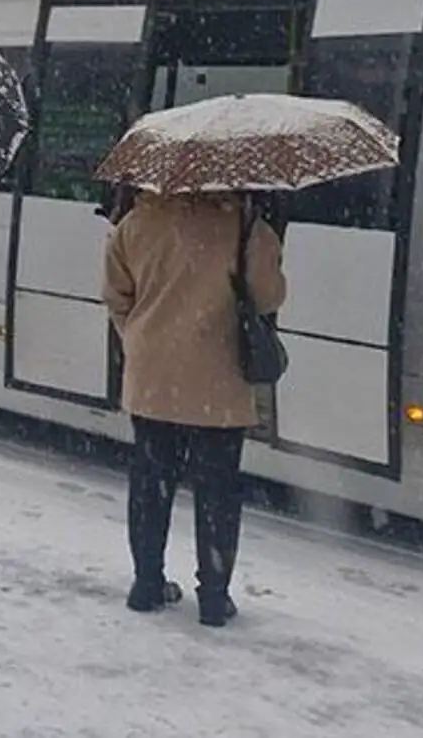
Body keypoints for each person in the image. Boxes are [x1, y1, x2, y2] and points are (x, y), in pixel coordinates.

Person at [103, 190, 286, 628]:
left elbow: (116, 295)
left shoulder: (134, 224)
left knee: (151, 482)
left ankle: (147, 584)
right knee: (217, 490)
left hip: (152, 377)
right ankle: (214, 597)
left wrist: (141, 337)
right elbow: (268, 298)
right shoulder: (246, 228)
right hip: (218, 381)